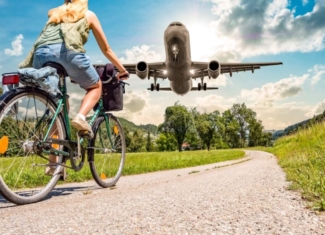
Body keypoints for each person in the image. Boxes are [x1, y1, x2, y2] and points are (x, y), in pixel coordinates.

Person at [19, 0, 128, 175]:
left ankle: (55, 165)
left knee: (59, 109)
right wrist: (122, 70)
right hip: (68, 54)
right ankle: (81, 117)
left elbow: (49, 41)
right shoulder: (88, 14)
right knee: (95, 86)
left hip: (39, 56)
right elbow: (106, 48)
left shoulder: (54, 14)